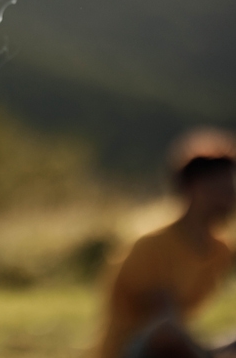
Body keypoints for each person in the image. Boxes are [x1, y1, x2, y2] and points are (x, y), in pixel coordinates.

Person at [98, 128, 236, 358]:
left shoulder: (221, 250)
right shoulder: (150, 246)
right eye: (220, 189)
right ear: (191, 188)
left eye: (231, 190)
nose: (229, 199)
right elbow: (164, 327)